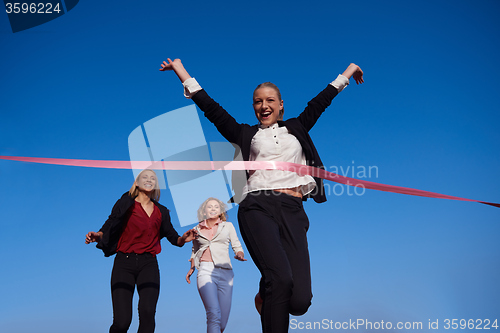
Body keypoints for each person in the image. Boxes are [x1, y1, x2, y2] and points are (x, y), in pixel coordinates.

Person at [160, 58, 364, 333]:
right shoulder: (245, 133)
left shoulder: (298, 127)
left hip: (293, 210)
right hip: (258, 206)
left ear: (281, 105)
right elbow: (212, 109)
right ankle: (271, 291)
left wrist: (348, 71)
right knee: (279, 279)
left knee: (300, 301)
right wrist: (181, 72)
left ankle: (263, 297)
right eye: (258, 101)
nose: (263, 106)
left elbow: (321, 101)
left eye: (270, 100)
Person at [85, 169, 196, 333]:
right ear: (137, 182)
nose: (149, 179)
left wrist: (182, 239)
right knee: (122, 322)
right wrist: (99, 235)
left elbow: (173, 237)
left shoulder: (162, 211)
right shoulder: (125, 203)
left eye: (153, 177)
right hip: (124, 263)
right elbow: (110, 223)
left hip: (148, 264)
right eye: (145, 177)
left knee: (147, 314)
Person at [186, 197, 246, 333]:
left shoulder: (228, 226)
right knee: (214, 314)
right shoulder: (196, 229)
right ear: (204, 211)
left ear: (220, 212)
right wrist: (192, 267)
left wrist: (239, 254)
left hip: (226, 272)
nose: (213, 208)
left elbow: (237, 245)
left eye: (216, 207)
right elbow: (195, 250)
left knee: (222, 321)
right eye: (209, 207)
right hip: (205, 271)